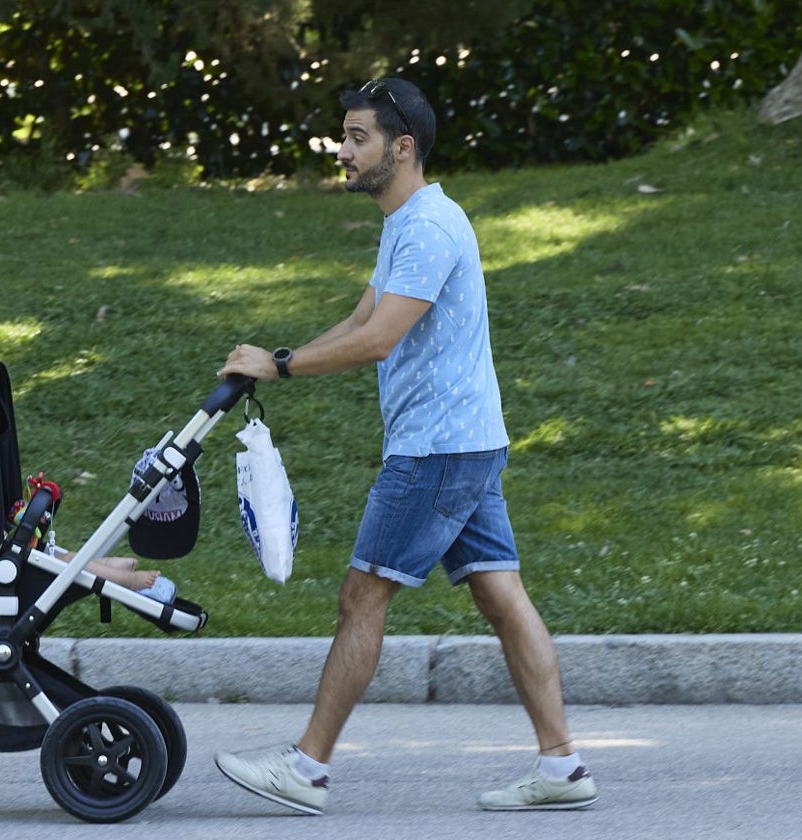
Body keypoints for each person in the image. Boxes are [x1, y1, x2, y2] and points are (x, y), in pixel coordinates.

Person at [213, 78, 598, 815]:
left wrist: (281, 366)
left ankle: (307, 768)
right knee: (501, 595)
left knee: (363, 595)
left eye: (358, 138)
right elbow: (362, 316)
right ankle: (562, 767)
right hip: (469, 442)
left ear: (403, 147)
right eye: (344, 136)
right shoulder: (411, 224)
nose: (343, 151)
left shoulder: (427, 228)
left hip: (436, 450)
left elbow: (379, 341)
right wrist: (277, 360)